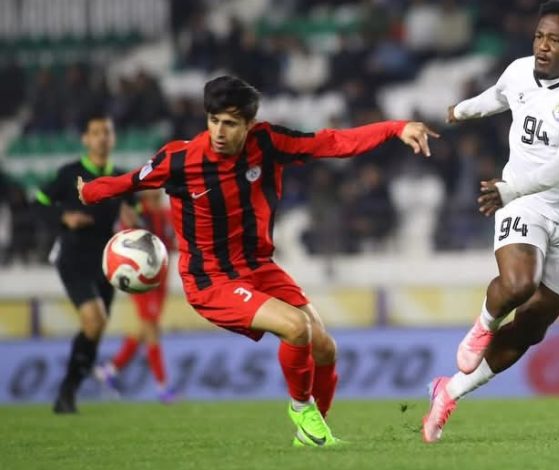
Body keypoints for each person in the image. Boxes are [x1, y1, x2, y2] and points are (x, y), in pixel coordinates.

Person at [78, 75, 438, 447]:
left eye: (230, 123)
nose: (219, 132)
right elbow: (129, 181)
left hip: (259, 267)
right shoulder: (180, 159)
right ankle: (301, 409)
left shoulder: (267, 143)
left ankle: (312, 432)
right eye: (214, 120)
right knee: (296, 327)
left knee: (325, 348)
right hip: (211, 279)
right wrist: (89, 191)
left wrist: (396, 128)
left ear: (249, 124)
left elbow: (332, 142)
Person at [422, 0, 559, 442]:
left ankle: (449, 391)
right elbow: (499, 96)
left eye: (555, 40)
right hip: (527, 201)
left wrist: (510, 189)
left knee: (532, 326)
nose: (543, 46)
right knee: (519, 284)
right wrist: (461, 111)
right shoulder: (519, 71)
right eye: (539, 36)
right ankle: (483, 326)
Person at [35, 114, 137, 414]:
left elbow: (136, 214)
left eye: (107, 132)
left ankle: (68, 392)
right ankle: (67, 391)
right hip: (73, 256)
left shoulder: (121, 178)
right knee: (94, 319)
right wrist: (63, 218)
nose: (102, 137)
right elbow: (38, 203)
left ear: (113, 138)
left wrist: (133, 218)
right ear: (85, 139)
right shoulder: (69, 174)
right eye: (95, 132)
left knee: (97, 327)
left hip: (108, 262)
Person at [94, 189, 178, 403]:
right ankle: (163, 387)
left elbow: (172, 243)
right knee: (151, 330)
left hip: (162, 279)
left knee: (145, 329)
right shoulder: (137, 212)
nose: (157, 188)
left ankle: (110, 370)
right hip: (142, 279)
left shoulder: (166, 213)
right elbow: (126, 240)